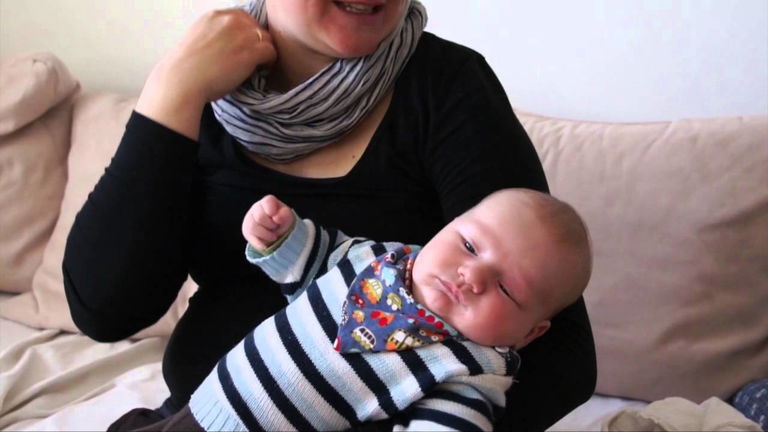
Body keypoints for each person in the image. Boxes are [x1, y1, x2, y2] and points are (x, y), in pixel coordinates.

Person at [63, 0, 597, 430]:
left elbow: (563, 356)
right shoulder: (201, 84)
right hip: (195, 416)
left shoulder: (448, 87)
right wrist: (172, 90)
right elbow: (107, 311)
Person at [135, 188, 592, 431]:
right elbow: (311, 258)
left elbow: (451, 421)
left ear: (530, 334)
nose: (470, 276)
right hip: (204, 403)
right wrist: (279, 235)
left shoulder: (467, 368)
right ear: (448, 226)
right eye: (469, 245)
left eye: (507, 289)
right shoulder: (379, 258)